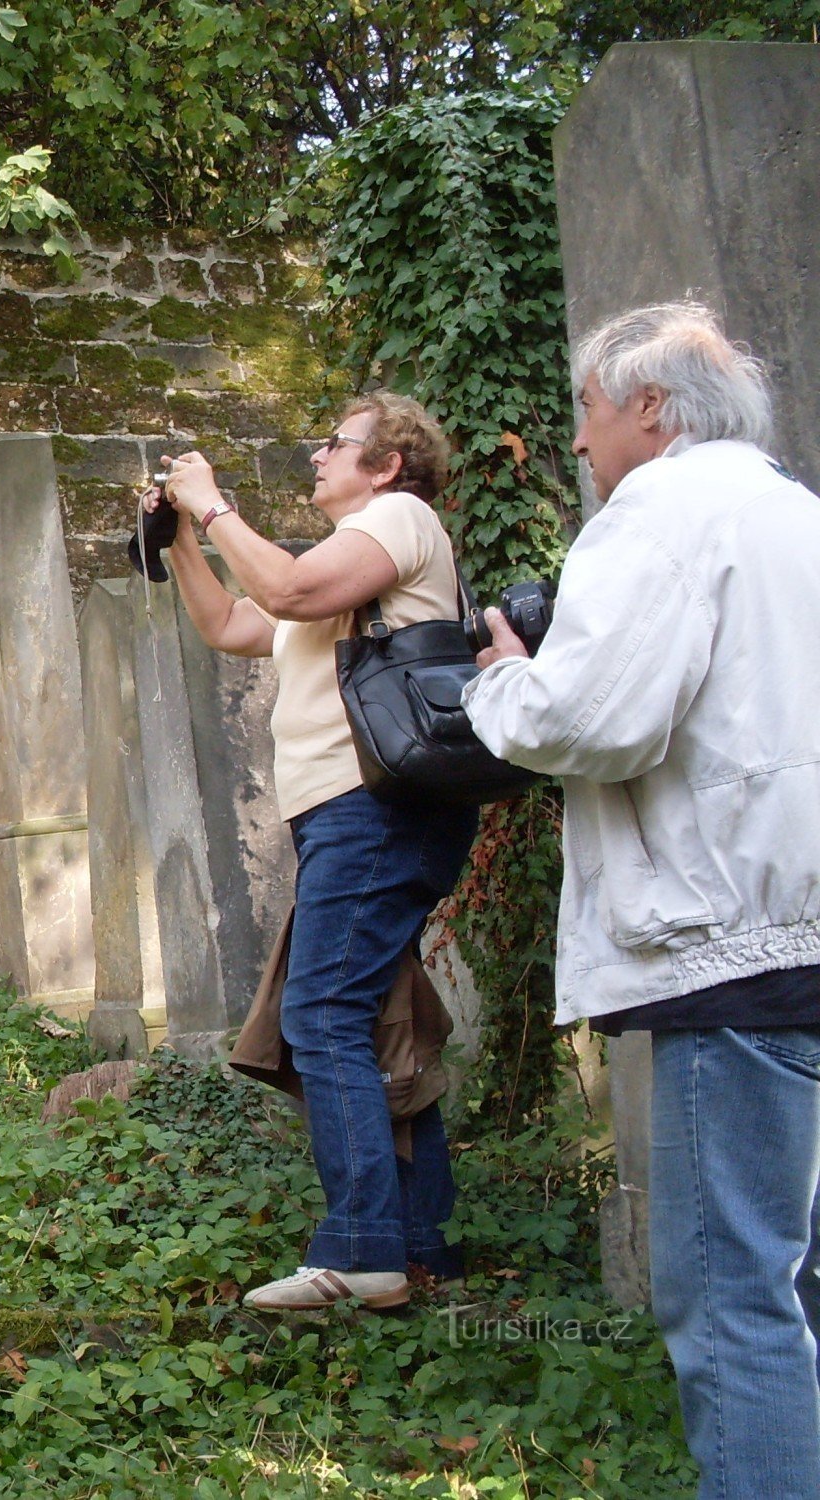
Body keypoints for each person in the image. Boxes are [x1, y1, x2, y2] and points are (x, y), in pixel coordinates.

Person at [463, 300, 820, 1500]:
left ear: (649, 406)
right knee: (796, 1280)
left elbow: (590, 720)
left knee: (728, 1298)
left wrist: (506, 681)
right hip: (803, 928)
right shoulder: (793, 511)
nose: (576, 442)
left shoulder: (659, 511)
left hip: (731, 947)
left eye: (585, 408)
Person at [147, 392, 477, 1312]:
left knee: (323, 1014)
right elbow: (233, 625)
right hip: (349, 819)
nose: (319, 455)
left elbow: (284, 589)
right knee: (379, 1020)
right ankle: (422, 1249)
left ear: (387, 466)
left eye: (340, 443)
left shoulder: (399, 520)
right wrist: (178, 537)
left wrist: (214, 505)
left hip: (375, 811)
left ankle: (363, 1250)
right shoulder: (339, 573)